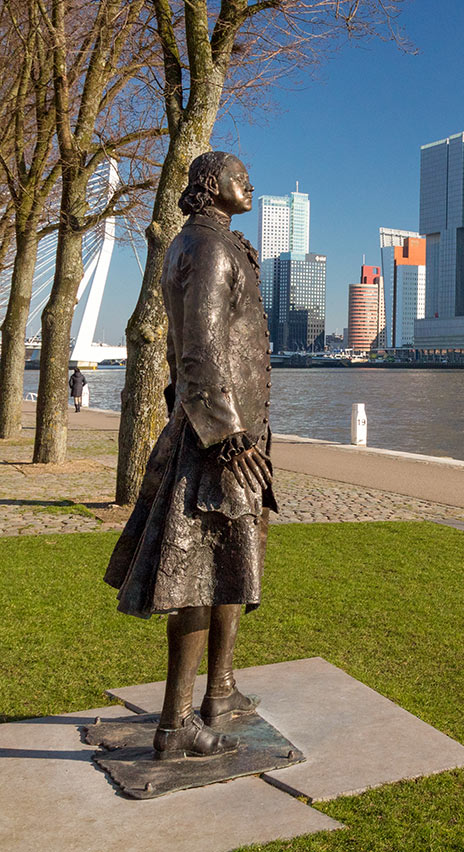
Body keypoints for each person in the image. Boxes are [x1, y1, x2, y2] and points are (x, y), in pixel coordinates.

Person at [104, 151, 276, 760]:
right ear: (211, 185)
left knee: (231, 559)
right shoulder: (208, 249)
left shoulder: (198, 245)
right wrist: (226, 437)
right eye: (239, 175)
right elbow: (199, 349)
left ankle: (220, 690)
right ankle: (177, 724)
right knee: (200, 574)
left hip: (220, 429)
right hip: (217, 439)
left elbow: (190, 355)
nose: (249, 183)